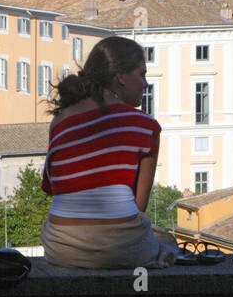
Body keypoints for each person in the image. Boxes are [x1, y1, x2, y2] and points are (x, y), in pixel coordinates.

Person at [39, 36, 179, 269]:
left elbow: (55, 190)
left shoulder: (59, 121)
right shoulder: (145, 126)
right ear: (120, 77)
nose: (146, 84)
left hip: (60, 251)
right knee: (167, 240)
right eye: (141, 74)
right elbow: (138, 207)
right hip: (124, 251)